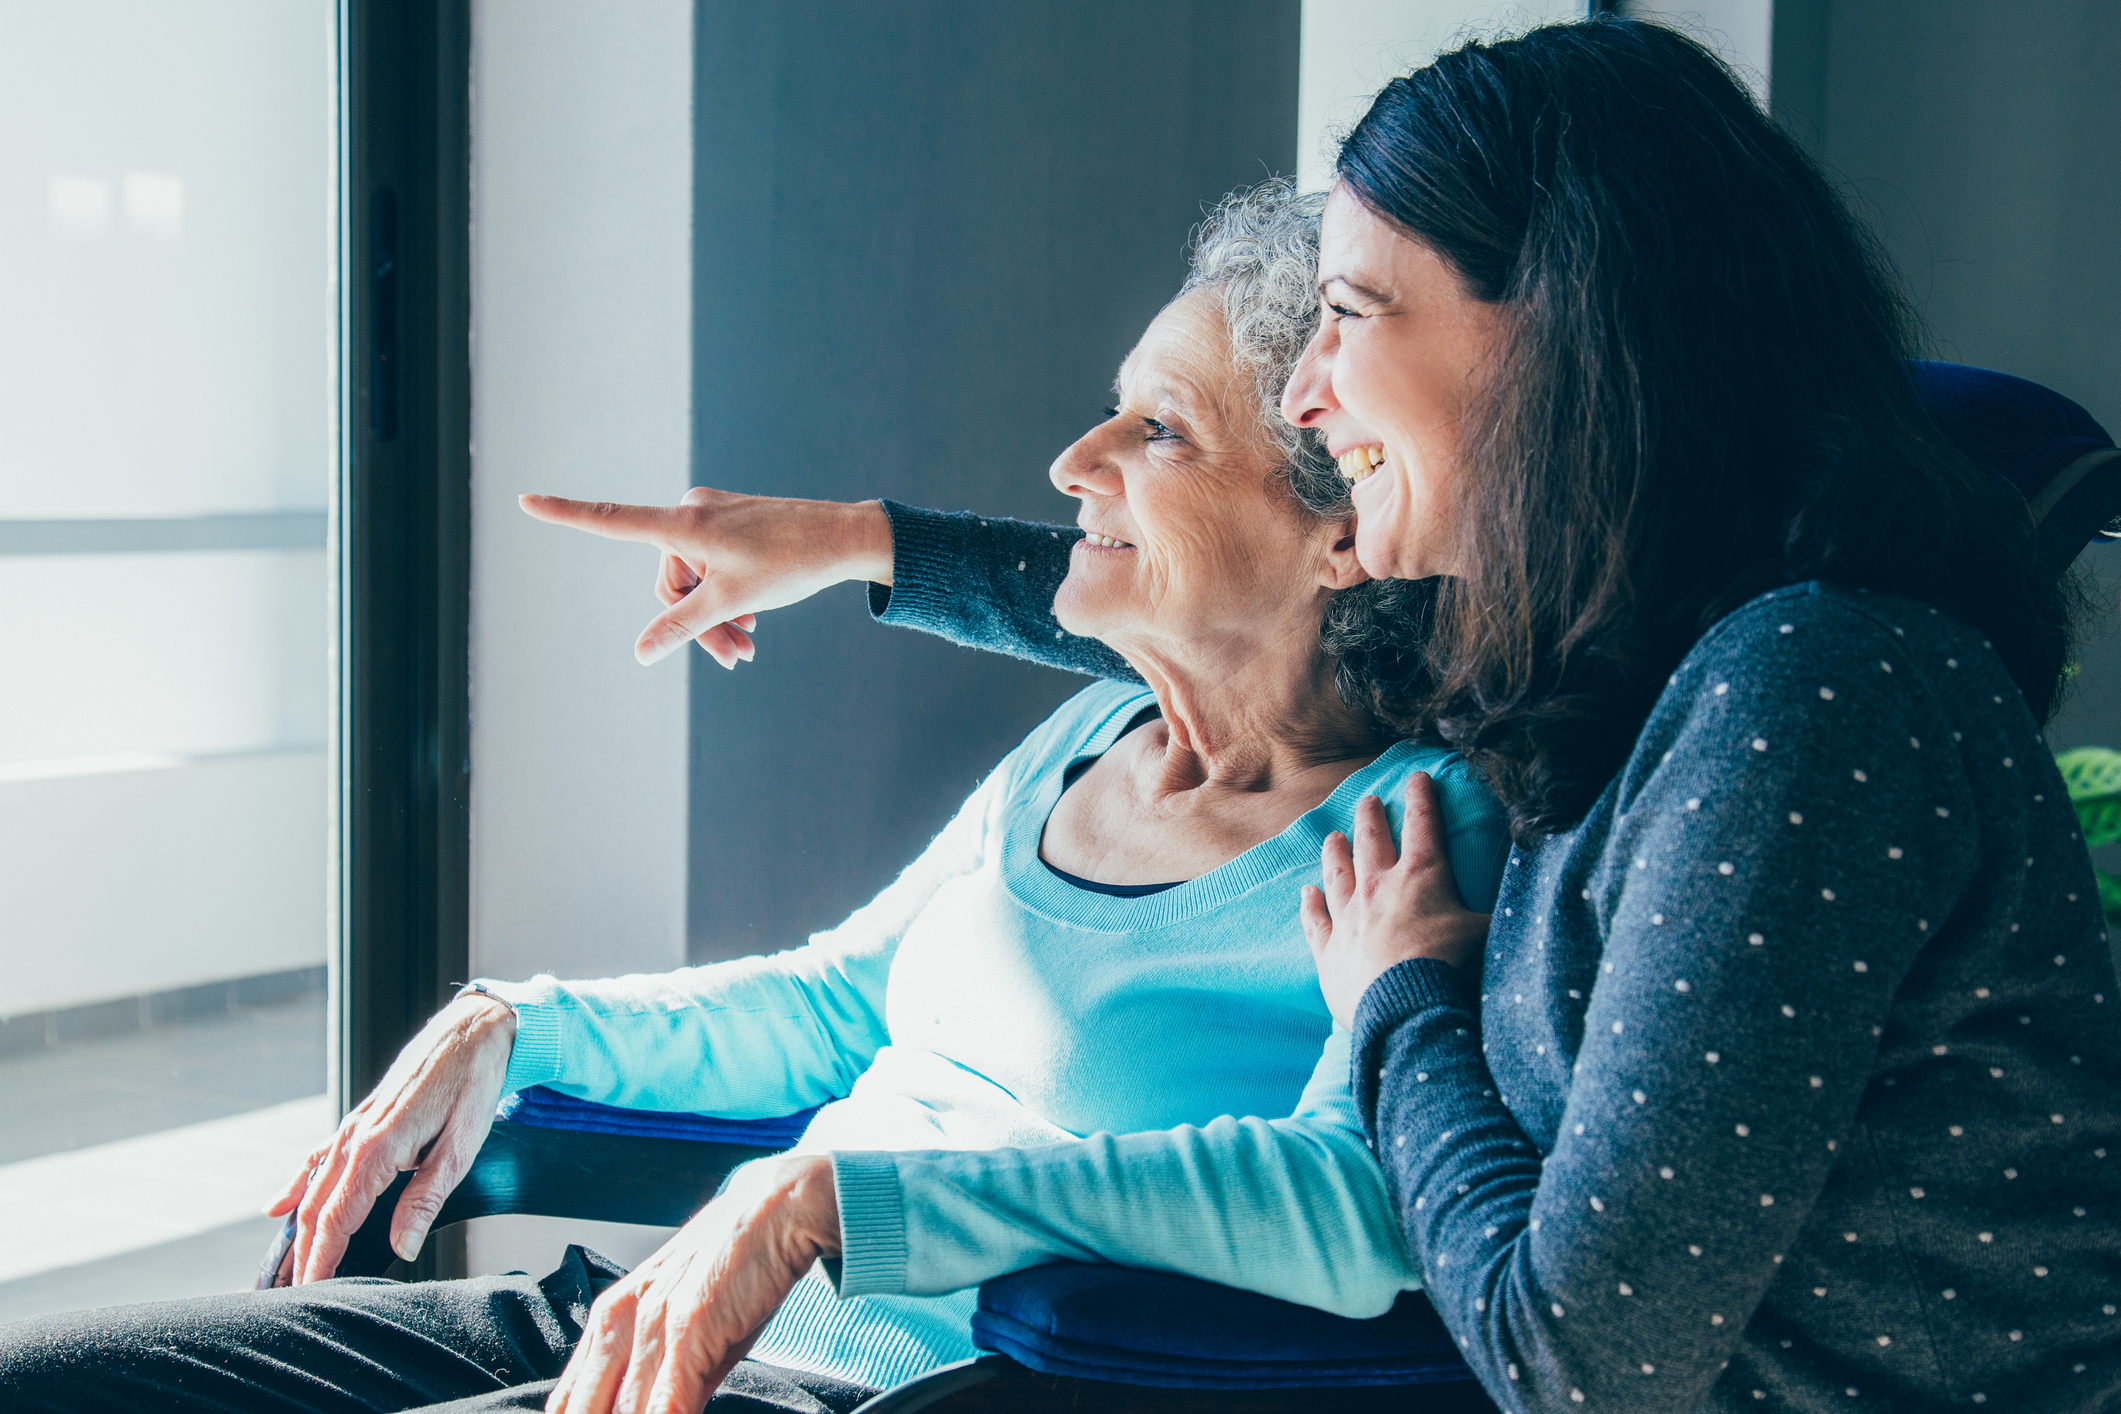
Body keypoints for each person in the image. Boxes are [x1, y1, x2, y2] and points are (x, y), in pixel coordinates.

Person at [536, 18, 2121, 1413]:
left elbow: (1579, 1362)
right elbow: (1238, 601)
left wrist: (1398, 1003)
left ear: (1561, 332)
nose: (1308, 396)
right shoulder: (1609, 677)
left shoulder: (1803, 692)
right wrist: (858, 546)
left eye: (1356, 314)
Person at [0, 184, 1511, 1414]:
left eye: (1158, 432)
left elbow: (1345, 1199)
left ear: (1340, 525)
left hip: (854, 1388)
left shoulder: (1414, 833)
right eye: (1108, 413)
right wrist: (515, 1017)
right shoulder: (1085, 743)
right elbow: (826, 1009)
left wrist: (835, 1196)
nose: (1072, 462)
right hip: (652, 1314)